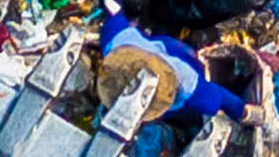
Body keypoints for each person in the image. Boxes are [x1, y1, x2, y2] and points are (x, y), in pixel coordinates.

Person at [98, 7, 259, 125]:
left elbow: (217, 96)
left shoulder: (183, 76)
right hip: (158, 46)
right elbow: (117, 16)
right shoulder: (117, 41)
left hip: (173, 52)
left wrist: (244, 112)